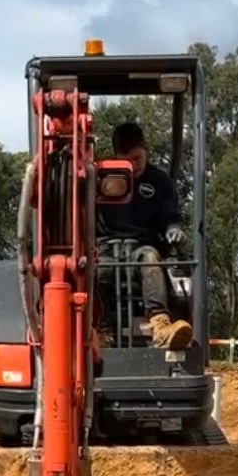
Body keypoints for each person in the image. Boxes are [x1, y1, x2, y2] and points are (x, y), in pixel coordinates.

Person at [98, 122, 192, 350]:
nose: (134, 165)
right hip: (106, 249)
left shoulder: (159, 182)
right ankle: (99, 331)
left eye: (138, 159)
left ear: (146, 151)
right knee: (91, 267)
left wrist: (172, 228)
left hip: (143, 246)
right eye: (127, 160)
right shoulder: (100, 177)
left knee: (151, 258)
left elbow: (171, 216)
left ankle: (160, 326)